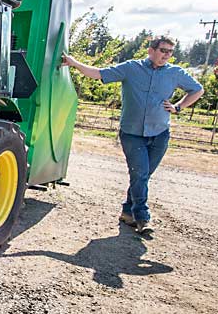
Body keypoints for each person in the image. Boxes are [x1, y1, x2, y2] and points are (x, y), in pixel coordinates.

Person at [61, 36, 203, 233]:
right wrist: (73, 62)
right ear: (151, 50)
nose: (166, 55)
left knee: (142, 176)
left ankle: (127, 211)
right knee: (140, 174)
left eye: (170, 52)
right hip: (132, 133)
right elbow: (98, 73)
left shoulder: (175, 73)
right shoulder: (131, 68)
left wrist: (178, 107)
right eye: (163, 50)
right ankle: (142, 218)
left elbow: (197, 89)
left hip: (160, 133)